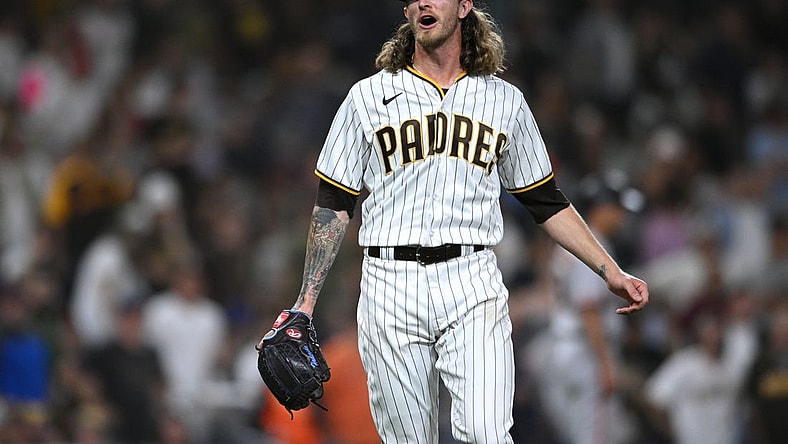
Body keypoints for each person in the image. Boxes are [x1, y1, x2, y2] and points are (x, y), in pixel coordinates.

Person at [257, 1, 649, 442]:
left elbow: (544, 201)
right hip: (390, 283)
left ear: (464, 6)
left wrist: (608, 270)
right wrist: (306, 302)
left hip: (472, 279)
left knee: (486, 434)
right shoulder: (367, 97)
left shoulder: (505, 102)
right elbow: (334, 203)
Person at [530, 171, 643, 444]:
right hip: (586, 356)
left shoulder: (570, 242)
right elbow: (588, 308)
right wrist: (605, 365)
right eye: (617, 208)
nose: (622, 216)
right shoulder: (591, 246)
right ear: (601, 207)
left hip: (567, 351)